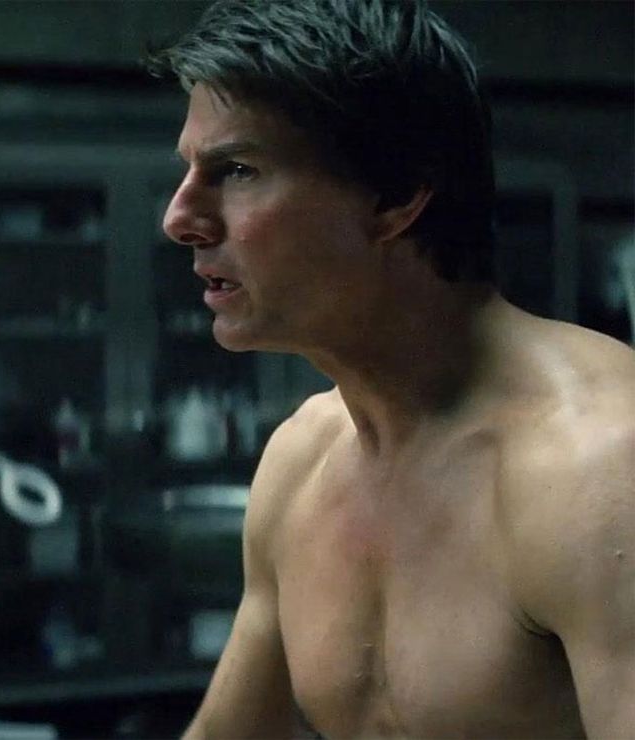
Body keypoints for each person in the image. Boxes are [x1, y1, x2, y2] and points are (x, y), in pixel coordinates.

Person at [147, 0, 635, 737]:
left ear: (398, 196)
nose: (179, 218)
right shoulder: (303, 460)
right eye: (190, 171)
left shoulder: (596, 469)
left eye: (238, 170)